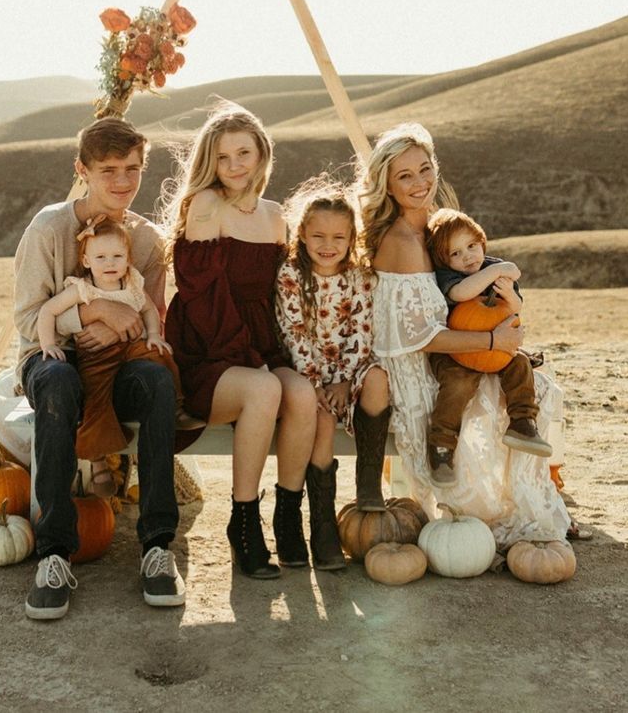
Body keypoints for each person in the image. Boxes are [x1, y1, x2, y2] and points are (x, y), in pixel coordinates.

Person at [356, 121, 570, 549]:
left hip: (452, 353)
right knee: (484, 406)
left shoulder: (432, 230)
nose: (420, 183)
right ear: (387, 185)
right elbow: (420, 337)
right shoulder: (403, 242)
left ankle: (536, 497)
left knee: (539, 386)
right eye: (405, 176)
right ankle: (491, 513)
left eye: (424, 169)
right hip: (417, 367)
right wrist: (492, 344)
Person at [15, 116, 184, 619]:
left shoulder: (148, 241)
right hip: (51, 357)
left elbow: (146, 315)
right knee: (59, 383)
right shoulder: (49, 228)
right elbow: (28, 319)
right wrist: (91, 311)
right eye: (108, 169)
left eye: (132, 168)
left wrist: (116, 323)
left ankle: (156, 546)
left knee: (156, 380)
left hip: (120, 360)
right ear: (82, 170)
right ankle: (54, 554)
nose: (122, 181)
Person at [163, 101, 317, 579]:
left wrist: (283, 356)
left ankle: (289, 517)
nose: (233, 166)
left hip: (261, 345)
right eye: (223, 157)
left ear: (262, 155)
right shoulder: (206, 205)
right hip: (208, 349)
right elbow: (201, 296)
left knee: (303, 393)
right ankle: (243, 521)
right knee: (265, 388)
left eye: (243, 154)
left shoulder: (274, 216)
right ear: (210, 161)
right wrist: (249, 362)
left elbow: (278, 296)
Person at [275, 177, 389, 570]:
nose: (328, 245)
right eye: (318, 235)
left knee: (378, 380)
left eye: (338, 237)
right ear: (302, 234)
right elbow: (293, 332)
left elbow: (362, 329)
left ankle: (369, 482)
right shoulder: (291, 276)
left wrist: (343, 378)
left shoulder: (361, 277)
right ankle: (322, 525)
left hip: (351, 370)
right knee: (321, 423)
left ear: (351, 237)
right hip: (311, 378)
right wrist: (317, 383)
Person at [37, 213, 181, 498]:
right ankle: (99, 461)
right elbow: (47, 311)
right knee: (95, 402)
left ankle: (176, 406)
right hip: (97, 357)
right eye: (100, 257)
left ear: (128, 258)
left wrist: (153, 335)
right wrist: (47, 344)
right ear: (87, 261)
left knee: (161, 357)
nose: (110, 263)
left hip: (129, 350)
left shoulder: (132, 284)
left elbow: (149, 310)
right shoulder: (83, 288)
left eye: (117, 256)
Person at [424, 207, 552, 487]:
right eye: (455, 253)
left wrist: (509, 295)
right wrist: (496, 270)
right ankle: (442, 445)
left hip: (496, 349)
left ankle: (522, 423)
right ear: (444, 260)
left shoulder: (492, 266)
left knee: (519, 364)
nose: (467, 257)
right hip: (456, 353)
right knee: (458, 384)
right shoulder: (449, 276)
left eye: (471, 246)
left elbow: (515, 309)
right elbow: (461, 293)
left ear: (482, 241)